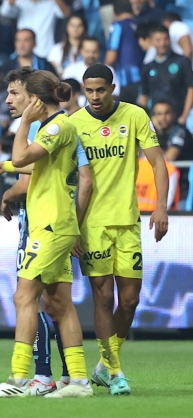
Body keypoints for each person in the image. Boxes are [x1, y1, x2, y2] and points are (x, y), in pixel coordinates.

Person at [0, 67, 93, 396]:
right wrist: (2, 166)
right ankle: (79, 381)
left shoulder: (56, 125)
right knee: (59, 305)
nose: (8, 99)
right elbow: (36, 164)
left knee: (24, 296)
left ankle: (18, 379)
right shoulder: (56, 127)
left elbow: (22, 155)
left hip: (51, 226)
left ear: (35, 99)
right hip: (56, 225)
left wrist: (24, 123)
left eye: (15, 93)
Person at [68, 63, 169, 395]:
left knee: (130, 300)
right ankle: (114, 371)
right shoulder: (74, 124)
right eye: (89, 90)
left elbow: (158, 161)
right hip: (92, 225)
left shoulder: (135, 115)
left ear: (112, 88)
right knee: (103, 297)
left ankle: (103, 365)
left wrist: (161, 206)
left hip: (127, 221)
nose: (95, 96)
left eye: (100, 90)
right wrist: (72, 225)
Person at [140, 25, 193, 125]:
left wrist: (184, 117)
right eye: (158, 40)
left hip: (178, 118)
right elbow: (144, 96)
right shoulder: (147, 67)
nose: (162, 43)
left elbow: (191, 90)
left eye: (165, 39)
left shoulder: (182, 62)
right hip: (156, 121)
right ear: (152, 41)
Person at [105, 0, 144, 104]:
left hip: (126, 78)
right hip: (143, 76)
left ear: (114, 13)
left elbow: (111, 57)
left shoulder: (117, 26)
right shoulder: (139, 24)